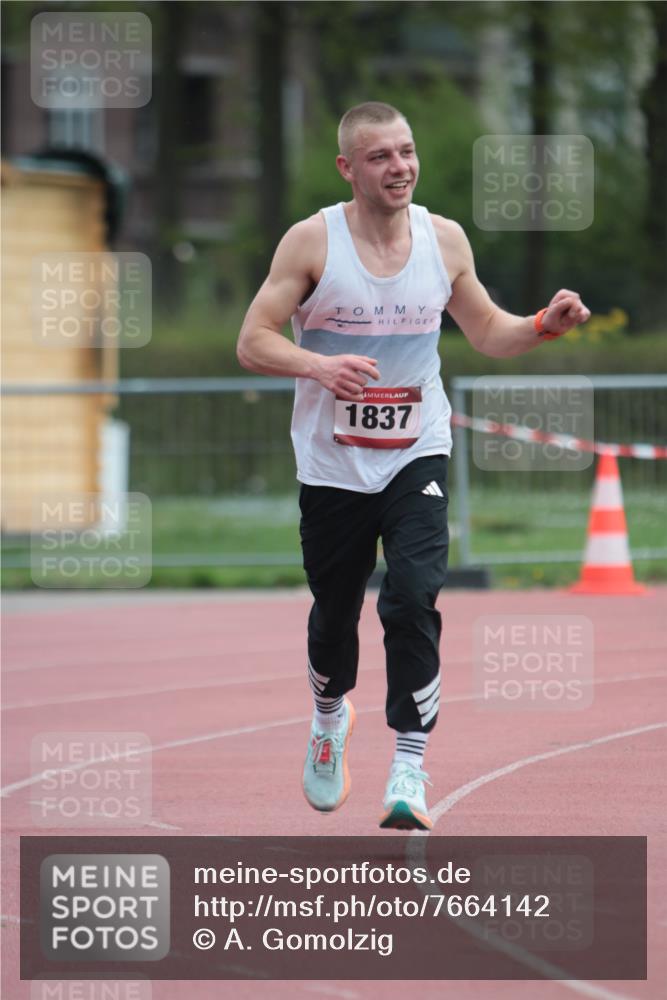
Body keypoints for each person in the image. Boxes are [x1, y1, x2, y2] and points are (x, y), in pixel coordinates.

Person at [237, 101, 590, 831]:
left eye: (405, 151)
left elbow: (487, 332)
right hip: (333, 464)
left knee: (410, 598)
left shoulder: (444, 239)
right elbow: (252, 341)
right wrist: (317, 365)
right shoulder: (312, 243)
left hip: (417, 451)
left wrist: (538, 328)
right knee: (334, 617)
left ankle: (409, 768)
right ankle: (330, 718)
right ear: (348, 168)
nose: (398, 167)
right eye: (379, 157)